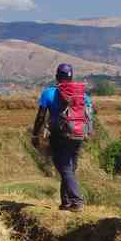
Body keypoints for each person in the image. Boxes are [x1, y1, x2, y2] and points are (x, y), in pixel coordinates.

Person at [31, 62, 91, 212]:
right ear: (71, 77)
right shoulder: (81, 93)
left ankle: (77, 201)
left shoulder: (49, 93)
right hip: (78, 134)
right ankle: (66, 202)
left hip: (59, 135)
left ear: (57, 76)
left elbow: (40, 116)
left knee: (64, 167)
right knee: (70, 168)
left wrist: (35, 134)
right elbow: (89, 113)